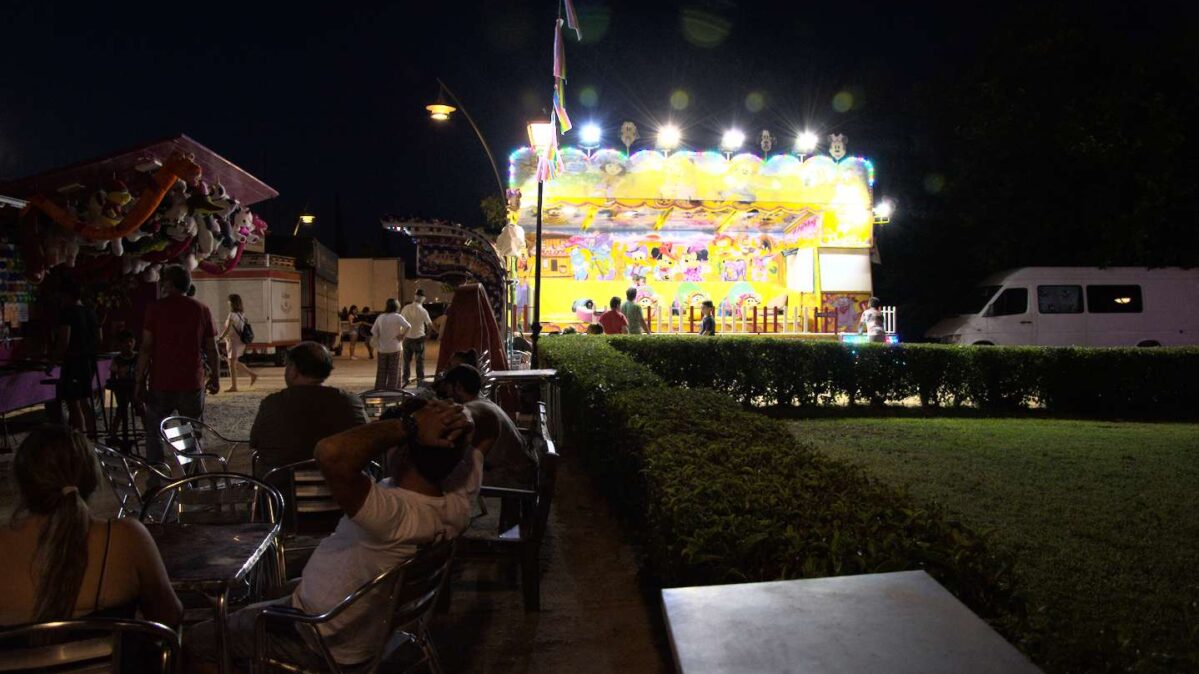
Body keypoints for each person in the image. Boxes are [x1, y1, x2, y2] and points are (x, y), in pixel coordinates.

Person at [186, 399, 483, 673]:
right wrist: (461, 418)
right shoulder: (456, 502)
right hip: (360, 627)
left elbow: (329, 453)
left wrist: (410, 425)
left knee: (194, 643)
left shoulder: (392, 514)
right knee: (268, 593)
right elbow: (490, 420)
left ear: (403, 451)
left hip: (318, 635)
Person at [0, 424, 182, 627]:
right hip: (114, 657)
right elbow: (169, 617)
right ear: (91, 477)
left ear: (23, 482)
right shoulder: (125, 539)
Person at [135, 264, 220, 470]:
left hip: (161, 381)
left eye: (164, 280)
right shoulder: (201, 309)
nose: (161, 284)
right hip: (191, 381)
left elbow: (146, 348)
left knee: (154, 431)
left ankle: (157, 478)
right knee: (190, 431)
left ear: (170, 284)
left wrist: (139, 382)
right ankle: (192, 478)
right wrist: (215, 377)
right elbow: (212, 348)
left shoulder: (155, 309)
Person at [249, 342, 369, 472]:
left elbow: (255, 441)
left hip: (282, 486)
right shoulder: (350, 402)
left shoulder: (272, 403)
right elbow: (368, 440)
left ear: (293, 370)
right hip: (342, 486)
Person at [441, 364, 536, 491]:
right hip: (521, 468)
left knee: (440, 481)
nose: (447, 394)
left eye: (448, 389)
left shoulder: (473, 409)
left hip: (512, 475)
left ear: (458, 387)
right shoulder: (484, 403)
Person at [50, 278, 100, 435]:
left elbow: (64, 340)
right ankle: (92, 436)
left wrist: (52, 361)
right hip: (89, 361)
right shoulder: (91, 312)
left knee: (74, 403)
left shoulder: (68, 312)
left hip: (74, 362)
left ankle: (80, 439)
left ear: (66, 295)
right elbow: (100, 337)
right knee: (85, 400)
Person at [216, 293, 258, 392]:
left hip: (233, 342)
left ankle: (234, 386)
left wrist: (220, 337)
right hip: (238, 341)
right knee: (233, 362)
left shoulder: (232, 315)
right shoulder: (241, 315)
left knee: (231, 363)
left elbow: (227, 328)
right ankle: (252, 375)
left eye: (229, 301)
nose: (228, 303)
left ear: (232, 303)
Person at [106, 329, 139, 447]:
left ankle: (149, 433)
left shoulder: (138, 358)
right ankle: (113, 433)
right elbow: (113, 376)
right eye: (125, 342)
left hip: (135, 387)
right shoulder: (117, 360)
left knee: (141, 409)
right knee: (121, 410)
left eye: (131, 341)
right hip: (122, 388)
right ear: (120, 344)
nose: (128, 344)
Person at [370, 298, 411, 390]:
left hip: (382, 349)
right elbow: (408, 326)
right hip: (395, 347)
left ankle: (379, 390)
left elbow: (374, 331)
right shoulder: (397, 317)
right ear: (397, 306)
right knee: (394, 372)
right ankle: (393, 391)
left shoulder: (380, 317)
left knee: (381, 372)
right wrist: (402, 336)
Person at [399, 290, 433, 386]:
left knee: (406, 361)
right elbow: (430, 325)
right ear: (423, 298)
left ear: (415, 297)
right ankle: (420, 381)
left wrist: (401, 334)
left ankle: (405, 379)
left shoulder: (405, 308)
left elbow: (401, 323)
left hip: (407, 338)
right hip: (419, 338)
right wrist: (428, 335)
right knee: (419, 362)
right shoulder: (423, 311)